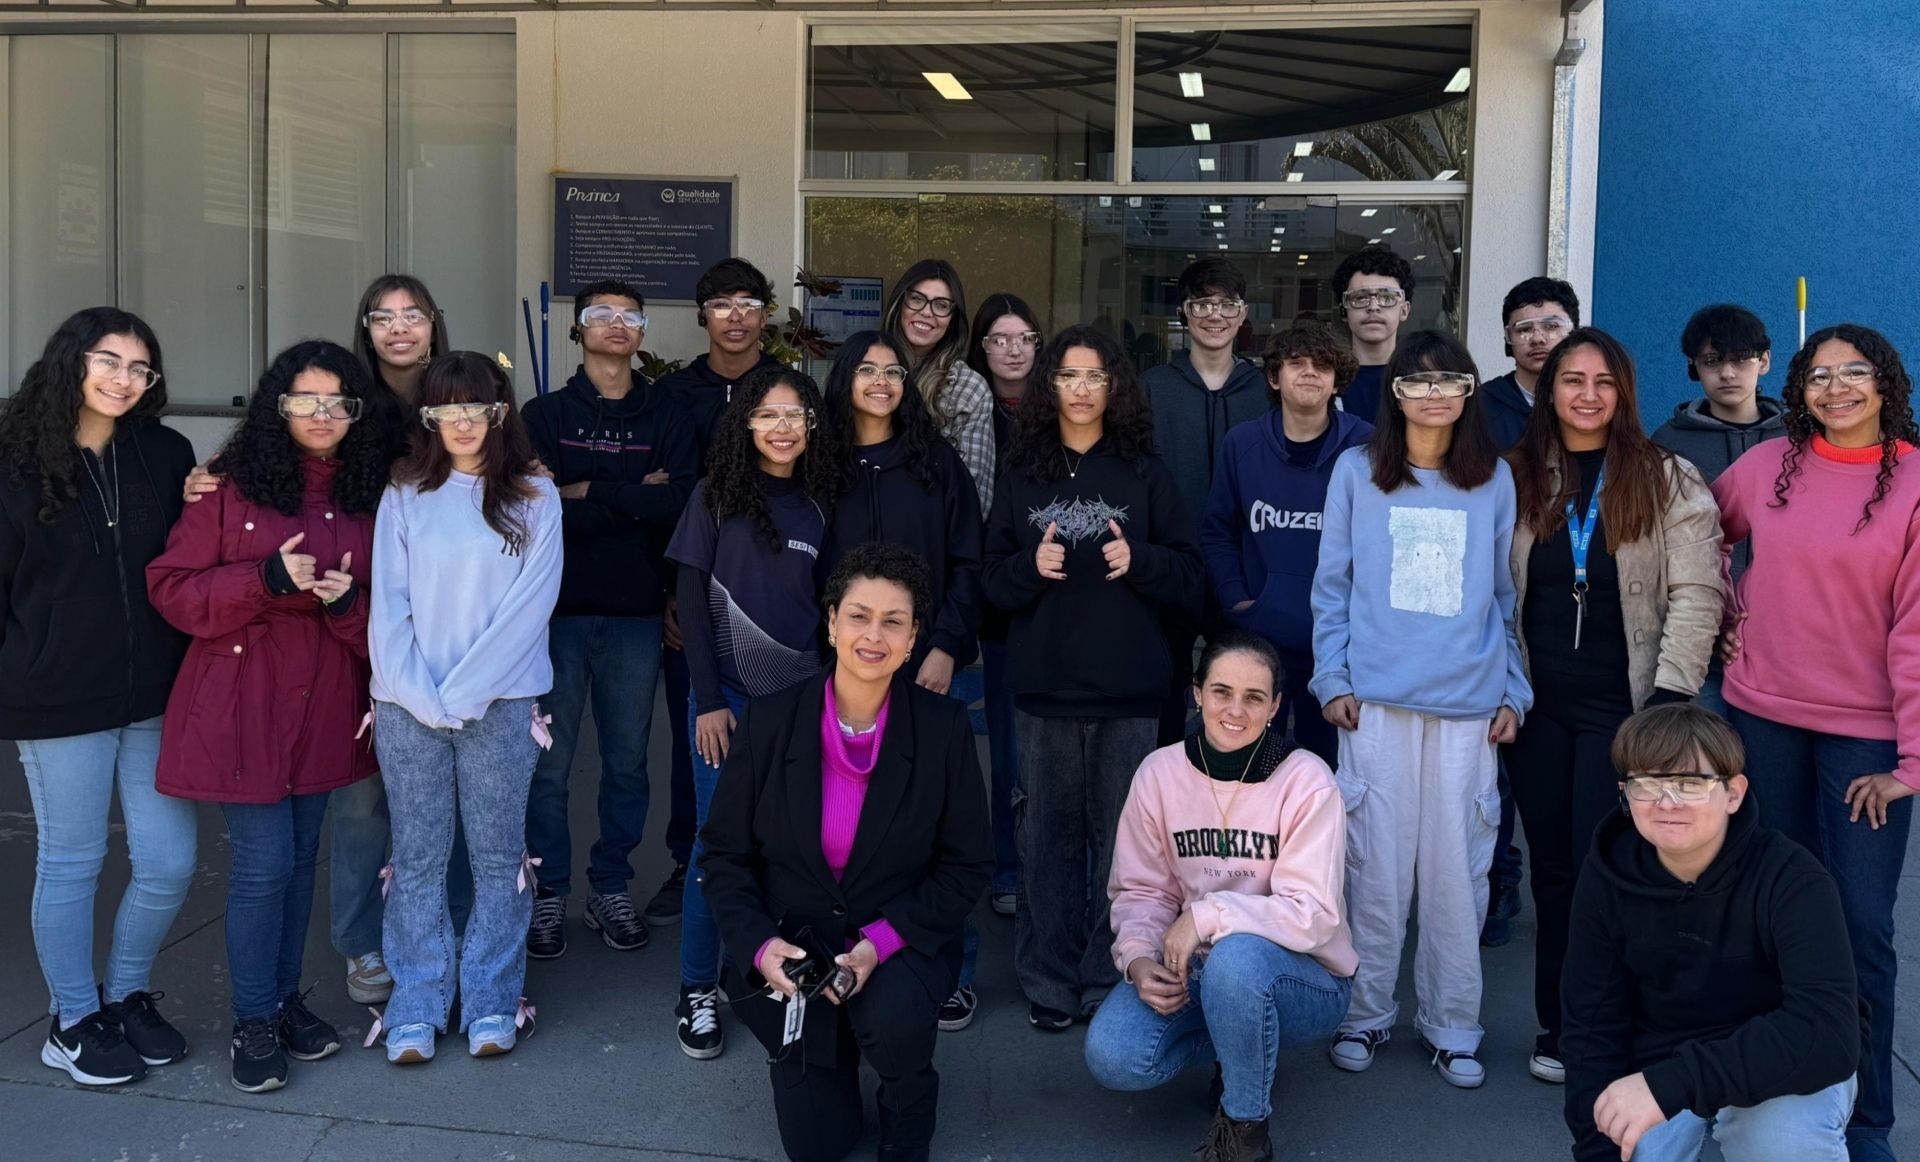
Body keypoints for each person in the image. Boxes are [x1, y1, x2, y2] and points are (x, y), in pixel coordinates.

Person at [182, 273, 464, 1009]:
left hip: (437, 638)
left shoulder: (455, 396)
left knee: (443, 809)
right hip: (328, 670)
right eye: (383, 316)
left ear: (435, 324)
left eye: (413, 315)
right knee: (352, 814)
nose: (399, 328)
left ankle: (440, 938)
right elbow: (184, 577)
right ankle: (358, 946)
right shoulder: (301, 451)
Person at [701, 541, 992, 1162]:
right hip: (796, 945)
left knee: (892, 1023)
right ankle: (830, 1046)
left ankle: (906, 1099)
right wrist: (760, 946)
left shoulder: (943, 729)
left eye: (894, 621)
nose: (874, 635)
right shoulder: (769, 721)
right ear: (830, 622)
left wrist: (877, 944)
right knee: (816, 1145)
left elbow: (967, 866)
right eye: (858, 615)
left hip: (895, 940)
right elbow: (724, 857)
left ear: (914, 639)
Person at [146, 340, 383, 1093]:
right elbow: (174, 590)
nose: (322, 415)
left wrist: (346, 605)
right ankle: (253, 1018)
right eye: (304, 400)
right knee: (264, 867)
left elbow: (389, 616)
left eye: (337, 401)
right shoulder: (225, 486)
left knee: (301, 858)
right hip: (238, 702)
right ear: (277, 408)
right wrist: (264, 579)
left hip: (325, 700)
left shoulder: (371, 492)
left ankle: (282, 1003)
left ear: (356, 411)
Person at [1713, 323, 1920, 1161]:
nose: (1837, 388)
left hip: (1865, 742)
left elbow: (1918, 631)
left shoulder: (1911, 482)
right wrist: (1725, 614)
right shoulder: (1766, 467)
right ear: (1797, 388)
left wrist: (1913, 763)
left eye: (1855, 373)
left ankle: (1867, 1120)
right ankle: (1775, 1089)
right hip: (1761, 719)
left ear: (1886, 383)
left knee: (1861, 928)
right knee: (1768, 917)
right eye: (1820, 375)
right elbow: (1696, 534)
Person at [1309, 330, 1529, 1089]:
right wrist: (1331, 677)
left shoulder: (1494, 478)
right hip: (1375, 705)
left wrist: (1515, 690)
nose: (1433, 393)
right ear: (1393, 393)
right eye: (1417, 381)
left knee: (1457, 875)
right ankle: (1364, 1016)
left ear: (1470, 392)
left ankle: (1451, 1024)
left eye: (1449, 381)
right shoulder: (1355, 473)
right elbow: (1330, 585)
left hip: (1469, 707)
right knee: (1370, 869)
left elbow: (1507, 594)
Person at [1505, 326, 1722, 1087]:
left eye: (1602, 381)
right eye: (1572, 380)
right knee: (1554, 872)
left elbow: (1699, 595)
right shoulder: (1519, 475)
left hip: (1626, 711)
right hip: (1537, 711)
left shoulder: (1668, 477)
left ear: (1623, 390)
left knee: (1618, 869)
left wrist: (1666, 703)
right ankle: (1560, 1024)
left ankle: (1624, 1021)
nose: (1587, 394)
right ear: (1549, 388)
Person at [982, 324, 1204, 1032]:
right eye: (1069, 376)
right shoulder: (1022, 472)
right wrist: (1027, 571)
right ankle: (1049, 981)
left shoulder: (1145, 471)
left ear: (1116, 388)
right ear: (1050, 386)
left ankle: (1111, 977)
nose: (1082, 389)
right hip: (1044, 692)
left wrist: (1141, 562)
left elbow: (1195, 580)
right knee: (1044, 842)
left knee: (1124, 847)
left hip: (1131, 692)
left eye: (1096, 376)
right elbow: (986, 584)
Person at [0, 307, 198, 1087]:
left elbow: (187, 561)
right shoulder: (13, 460)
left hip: (153, 692)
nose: (123, 379)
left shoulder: (165, 452)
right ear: (71, 362)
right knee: (72, 861)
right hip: (59, 700)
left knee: (169, 861)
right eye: (108, 361)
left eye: (140, 368)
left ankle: (125, 994)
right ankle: (73, 1018)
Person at [1084, 631, 1356, 1162]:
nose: (1236, 710)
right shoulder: (1160, 773)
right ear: (1196, 693)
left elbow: (1314, 916)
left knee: (1236, 957)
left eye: (1255, 697)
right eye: (1221, 691)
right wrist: (1139, 958)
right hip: (1197, 971)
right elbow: (1142, 888)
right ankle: (1243, 1045)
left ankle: (1245, 1130)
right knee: (1114, 1057)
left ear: (1276, 706)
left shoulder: (1307, 780)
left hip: (1305, 978)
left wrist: (1206, 916)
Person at [367, 351, 563, 1065]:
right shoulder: (405, 494)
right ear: (428, 418)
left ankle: (489, 999)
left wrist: (463, 694)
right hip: (406, 704)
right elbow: (388, 605)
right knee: (416, 859)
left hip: (502, 704)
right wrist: (419, 694)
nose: (459, 423)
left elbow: (529, 608)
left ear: (498, 412)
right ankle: (417, 1002)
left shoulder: (536, 498)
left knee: (497, 860)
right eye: (443, 410)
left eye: (472, 408)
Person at [1563, 704, 1861, 1162]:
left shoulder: (1791, 878)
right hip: (1660, 1058)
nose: (1667, 802)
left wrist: (1673, 1084)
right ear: (1626, 795)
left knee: (1783, 1144)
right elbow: (1591, 1026)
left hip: (1778, 1061)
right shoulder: (1607, 876)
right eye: (1647, 783)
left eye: (1690, 783)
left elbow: (1827, 1033)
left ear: (1734, 793)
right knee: (1624, 1149)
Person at [520, 280, 698, 959]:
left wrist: (584, 489)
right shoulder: (542, 414)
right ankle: (548, 892)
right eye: (602, 315)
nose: (617, 326)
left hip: (634, 613)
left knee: (627, 763)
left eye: (630, 317)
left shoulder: (668, 415)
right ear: (579, 329)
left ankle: (610, 884)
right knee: (551, 768)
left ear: (644, 332)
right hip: (554, 614)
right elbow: (536, 508)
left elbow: (680, 505)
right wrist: (631, 497)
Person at [665, 365, 838, 1061]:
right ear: (744, 424)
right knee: (718, 846)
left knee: (790, 847)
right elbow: (692, 604)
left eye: (796, 416)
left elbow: (829, 614)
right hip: (726, 703)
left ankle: (769, 970)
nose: (783, 428)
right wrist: (707, 701)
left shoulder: (824, 504)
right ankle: (695, 988)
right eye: (768, 415)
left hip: (800, 705)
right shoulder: (713, 498)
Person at [822, 331, 985, 1031]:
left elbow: (968, 561)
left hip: (922, 667)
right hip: (836, 675)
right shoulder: (819, 463)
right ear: (845, 380)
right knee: (845, 828)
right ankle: (840, 958)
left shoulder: (934, 463)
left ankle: (950, 967)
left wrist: (945, 645)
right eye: (868, 369)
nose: (883, 381)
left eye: (893, 371)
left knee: (929, 825)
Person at [650, 257, 787, 927]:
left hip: (772, 597)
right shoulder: (673, 395)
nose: (736, 316)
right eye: (722, 304)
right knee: (699, 730)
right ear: (702, 315)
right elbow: (666, 496)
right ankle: (690, 860)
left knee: (776, 743)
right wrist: (674, 594)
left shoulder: (788, 393)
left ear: (766, 314)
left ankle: (765, 863)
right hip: (693, 588)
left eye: (749, 302)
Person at [1202, 321, 1372, 768]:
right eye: (1296, 363)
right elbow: (1217, 530)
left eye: (1322, 365)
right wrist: (1238, 599)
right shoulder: (1242, 443)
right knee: (1255, 767)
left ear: (1339, 379)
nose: (1310, 373)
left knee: (1330, 774)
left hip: (1340, 646)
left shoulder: (1366, 445)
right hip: (1261, 639)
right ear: (1274, 378)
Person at [1143, 257, 1271, 745]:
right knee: (1164, 697)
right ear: (1183, 313)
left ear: (1242, 315)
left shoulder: (1265, 391)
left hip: (1244, 570)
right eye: (1202, 304)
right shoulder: (1152, 388)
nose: (1214, 315)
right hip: (1169, 568)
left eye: (1226, 305)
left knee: (1242, 694)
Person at [1650, 304, 1784, 713]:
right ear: (1694, 366)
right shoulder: (1669, 443)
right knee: (1709, 765)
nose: (1727, 373)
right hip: (1700, 643)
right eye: (1713, 361)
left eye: (1741, 359)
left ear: (1763, 362)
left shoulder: (1797, 440)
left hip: (1781, 639)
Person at [964, 293, 1041, 918]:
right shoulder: (966, 408)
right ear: (980, 346)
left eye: (1024, 338)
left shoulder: (1057, 408)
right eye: (998, 338)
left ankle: (1047, 866)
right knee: (1006, 748)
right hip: (993, 597)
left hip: (1056, 599)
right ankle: (1006, 868)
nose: (1012, 350)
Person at [882, 259, 995, 510]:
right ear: (900, 303)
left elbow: (972, 496)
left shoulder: (968, 389)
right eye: (917, 299)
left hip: (930, 537)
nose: (926, 312)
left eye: (941, 305)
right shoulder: (864, 371)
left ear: (953, 319)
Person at [1481, 277, 1580, 451]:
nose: (1537, 338)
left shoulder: (1589, 404)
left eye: (1551, 326)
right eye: (1524, 329)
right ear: (1508, 338)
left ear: (1573, 333)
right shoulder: (1481, 407)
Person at [1330, 246, 1414, 424]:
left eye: (1387, 297)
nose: (1373, 306)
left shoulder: (1422, 378)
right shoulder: (1325, 378)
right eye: (1360, 298)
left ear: (1404, 310)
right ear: (1343, 310)